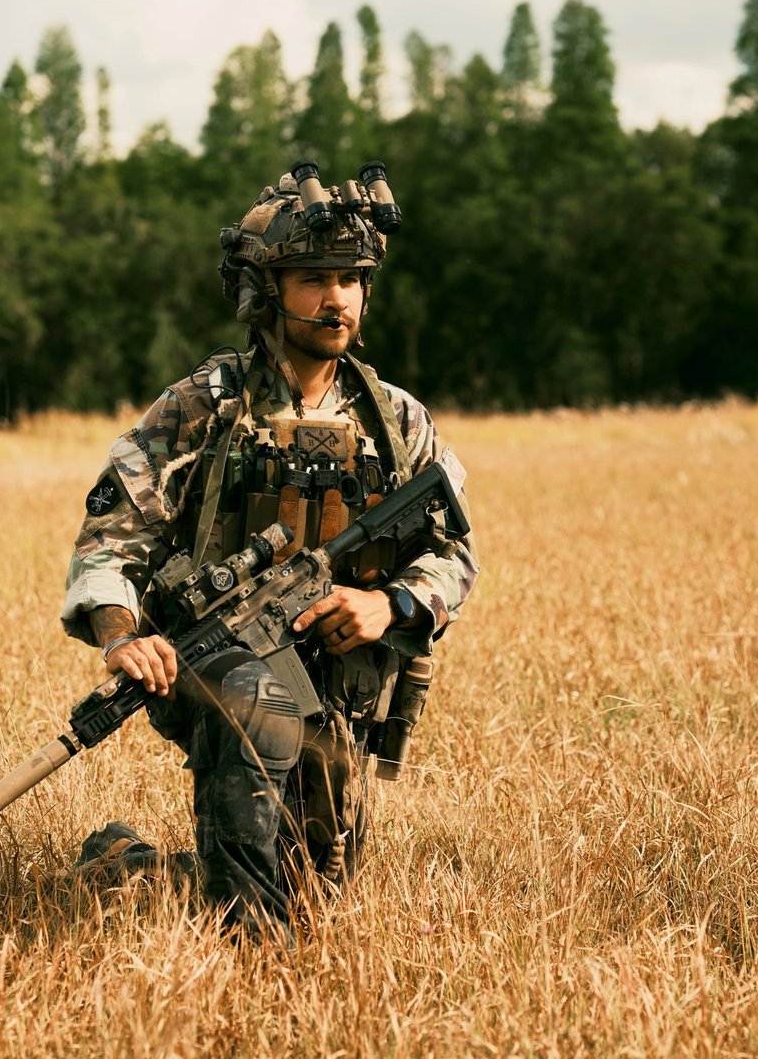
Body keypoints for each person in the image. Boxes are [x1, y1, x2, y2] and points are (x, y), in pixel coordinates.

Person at [59, 163, 479, 939]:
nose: (336, 298)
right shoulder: (205, 407)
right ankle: (250, 952)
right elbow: (111, 536)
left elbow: (454, 552)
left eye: (351, 279)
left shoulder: (396, 422)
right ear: (265, 290)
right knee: (261, 712)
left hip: (341, 680)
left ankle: (132, 866)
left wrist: (387, 604)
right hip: (218, 663)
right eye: (312, 277)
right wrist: (124, 636)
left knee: (313, 890)